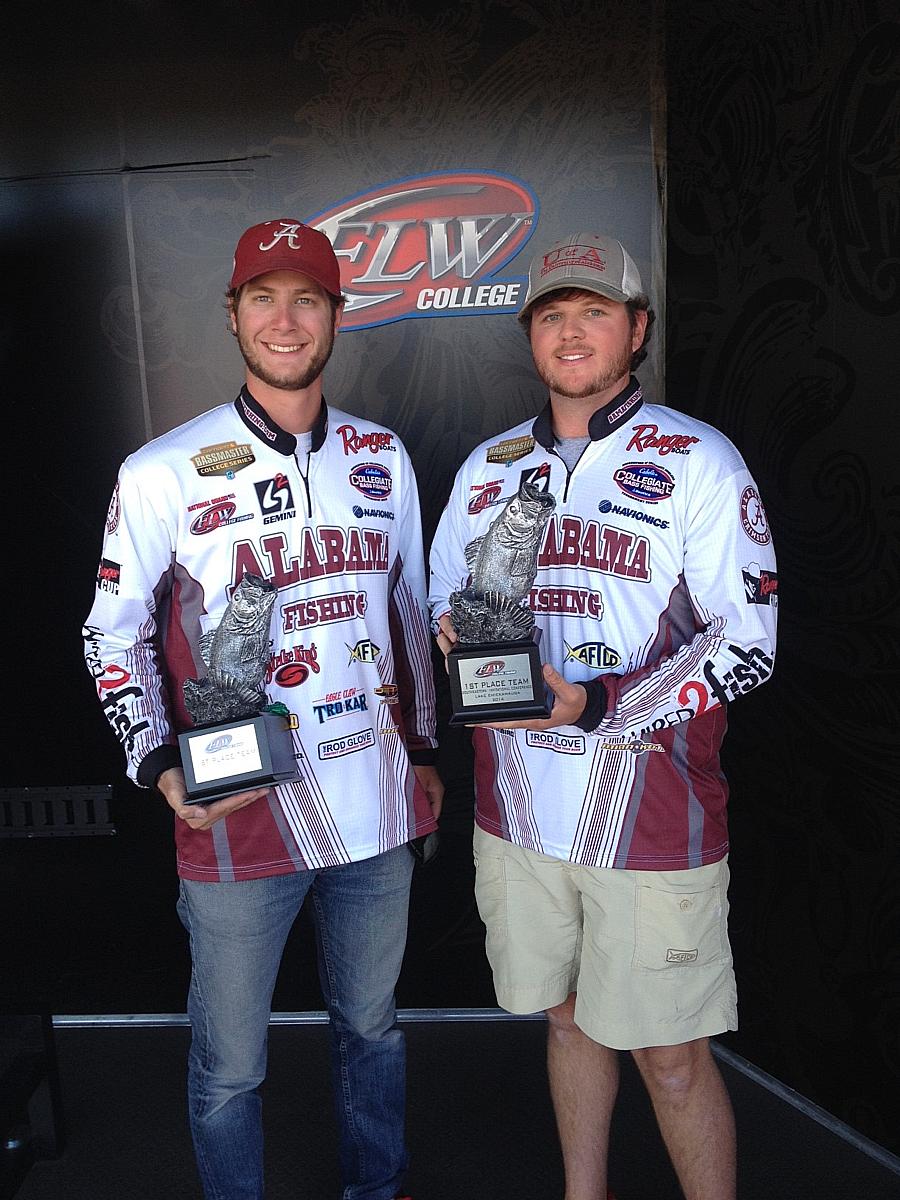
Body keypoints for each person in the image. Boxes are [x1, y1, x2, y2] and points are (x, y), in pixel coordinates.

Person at [83, 218, 443, 1200]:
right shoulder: (161, 471)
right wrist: (159, 764)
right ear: (234, 315)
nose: (287, 320)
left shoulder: (383, 456)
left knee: (371, 1031)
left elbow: (408, 606)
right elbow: (108, 635)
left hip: (369, 811)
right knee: (232, 1065)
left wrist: (419, 750)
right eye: (264, 298)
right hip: (240, 817)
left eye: (308, 299)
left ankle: (379, 1188)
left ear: (336, 315)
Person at [428, 231, 777, 1200]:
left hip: (652, 822)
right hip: (520, 818)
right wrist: (458, 639)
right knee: (567, 1019)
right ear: (530, 338)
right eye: (551, 315)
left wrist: (601, 704)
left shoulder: (699, 460)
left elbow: (748, 642)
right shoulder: (487, 467)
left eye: (592, 312)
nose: (570, 331)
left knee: (671, 1058)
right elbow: (439, 602)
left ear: (637, 328)